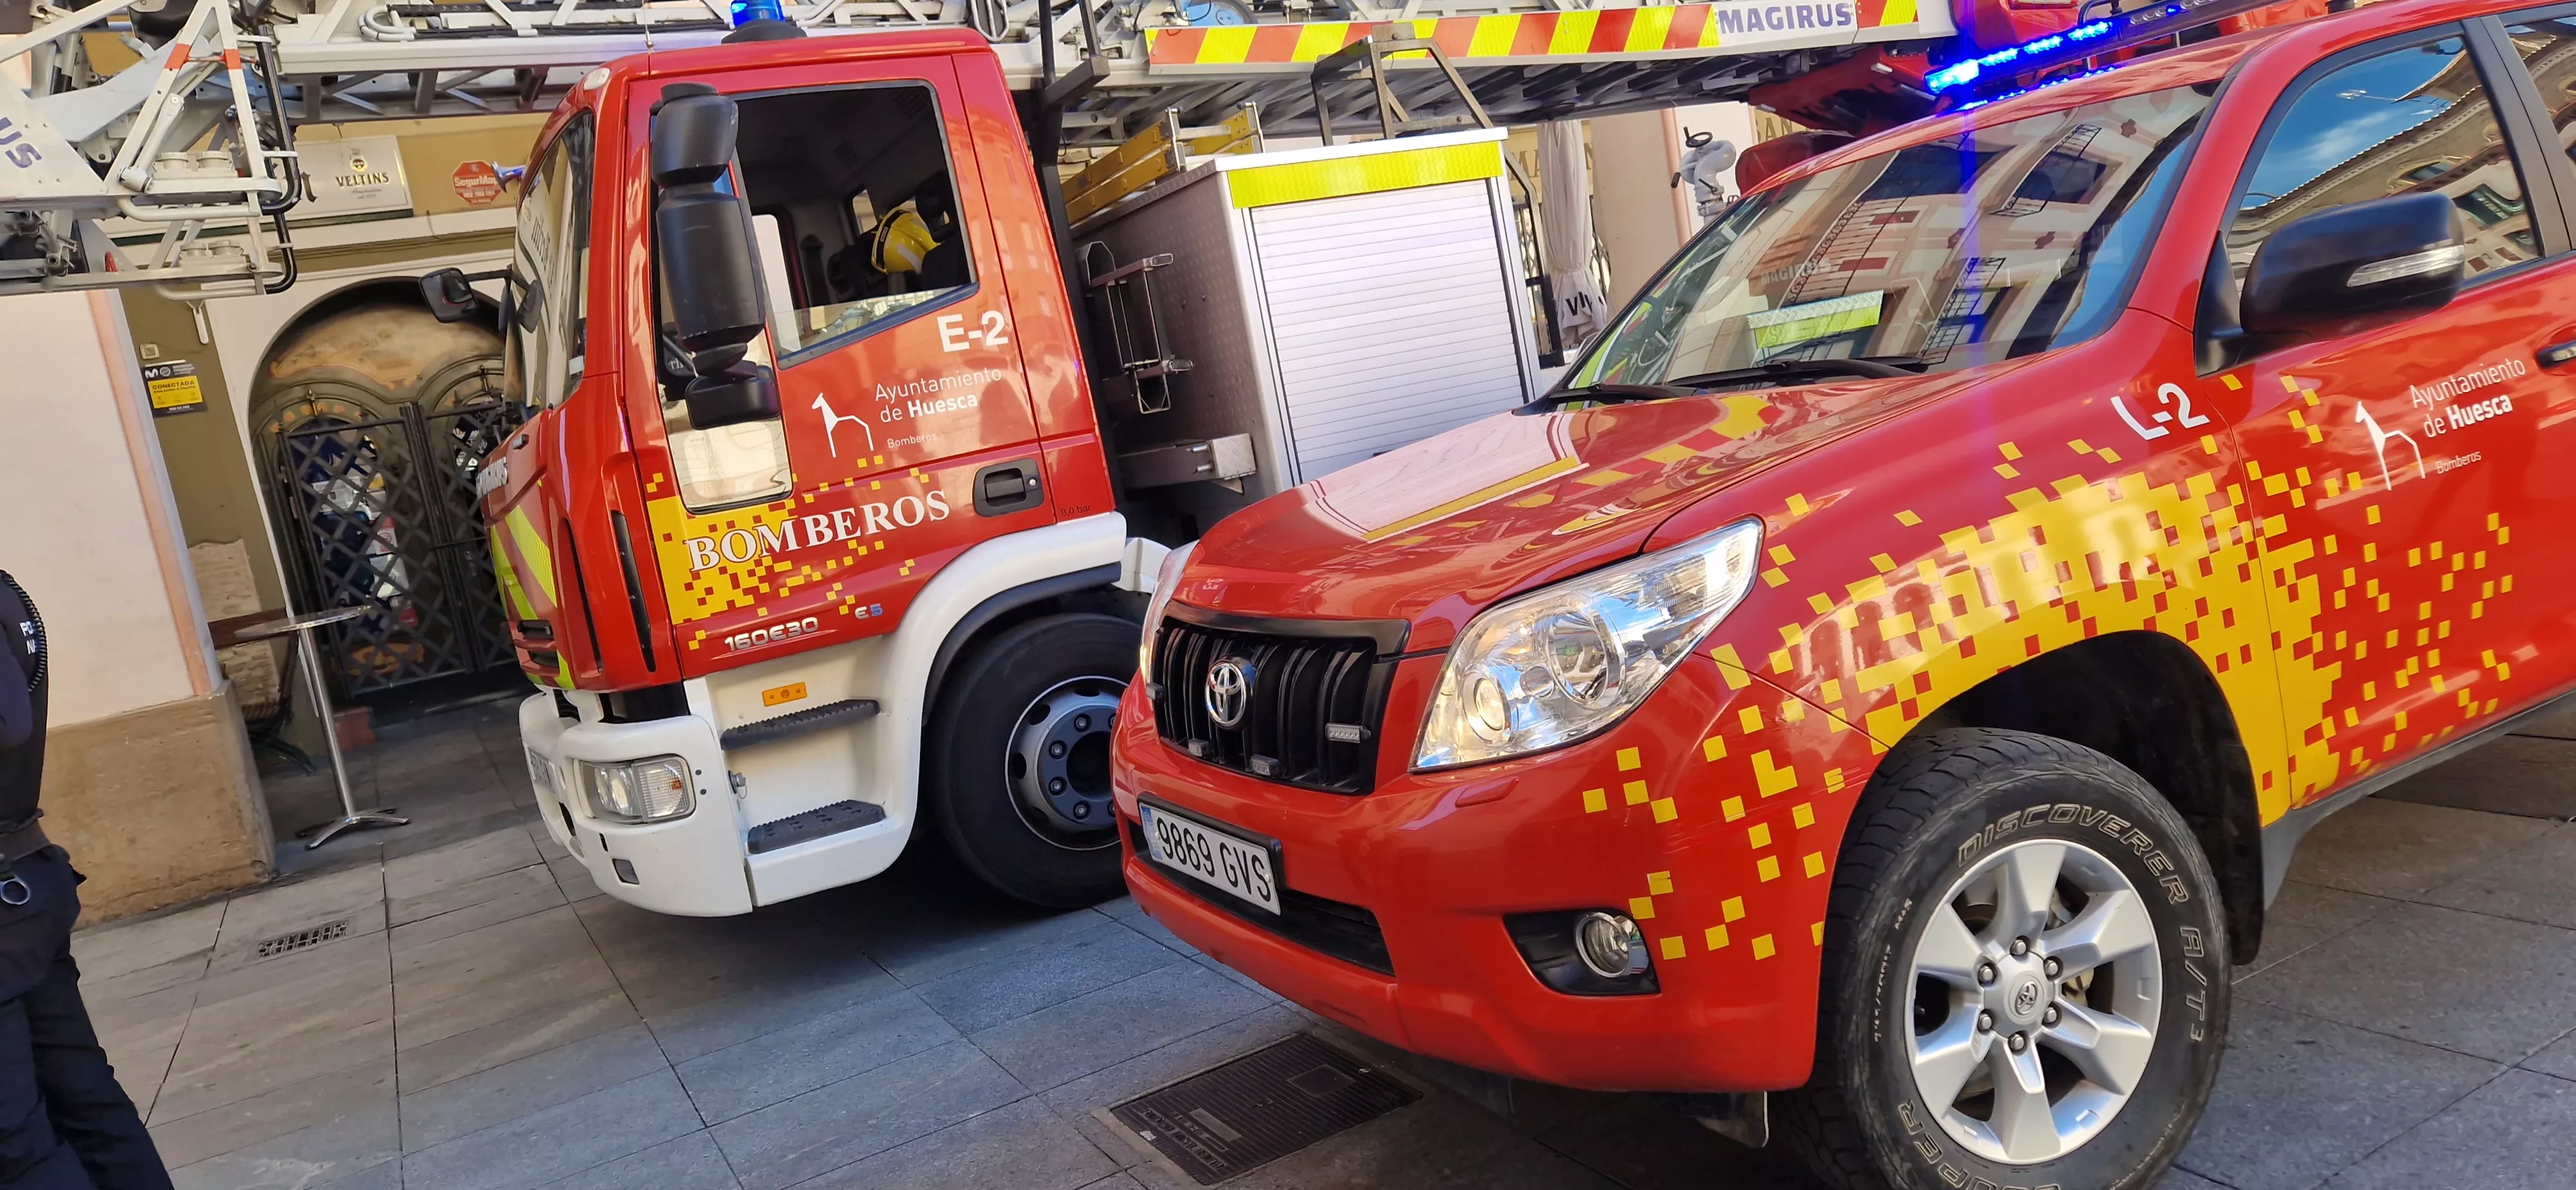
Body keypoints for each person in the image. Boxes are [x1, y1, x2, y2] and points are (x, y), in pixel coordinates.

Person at [0, 571, 172, 1189]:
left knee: (16, 1146)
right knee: (85, 1103)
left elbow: (7, 720)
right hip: (22, 880)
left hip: (11, 892)